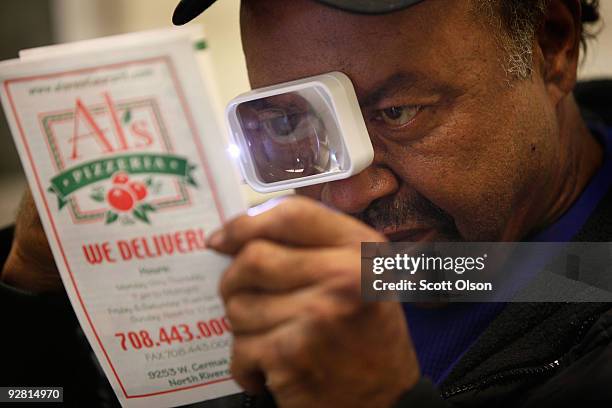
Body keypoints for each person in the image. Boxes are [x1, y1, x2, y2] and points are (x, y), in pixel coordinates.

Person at [2, 0, 612, 406]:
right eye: (292, 122)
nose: (345, 194)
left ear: (549, 46)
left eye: (399, 113)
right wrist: (34, 300)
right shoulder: (259, 279)